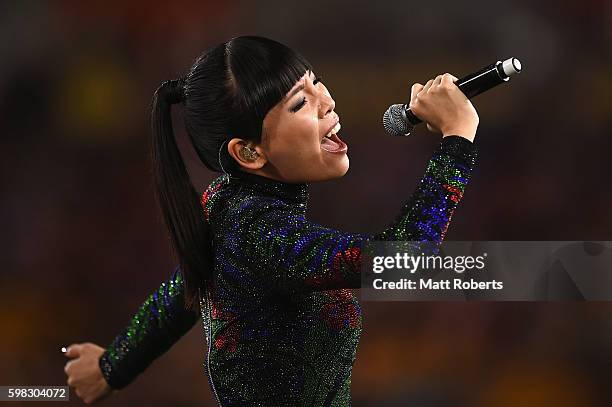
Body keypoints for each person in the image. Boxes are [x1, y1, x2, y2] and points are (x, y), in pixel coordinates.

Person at [63, 35, 479, 405]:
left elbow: (184, 291)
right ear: (248, 153)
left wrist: (113, 367)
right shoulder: (258, 231)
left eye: (316, 82)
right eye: (300, 102)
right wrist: (457, 138)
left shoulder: (226, 204)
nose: (327, 101)